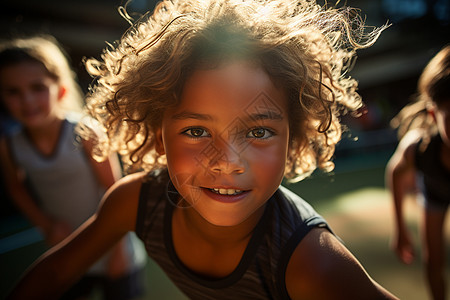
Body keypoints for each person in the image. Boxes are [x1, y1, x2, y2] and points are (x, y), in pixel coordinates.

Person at [7, 1, 398, 299]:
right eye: (196, 130)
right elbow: (55, 274)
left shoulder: (311, 260)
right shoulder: (137, 201)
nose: (227, 160)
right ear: (160, 137)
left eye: (259, 131)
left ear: (293, 138)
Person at [0, 36, 147, 300]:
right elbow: (15, 187)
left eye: (37, 87)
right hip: (67, 250)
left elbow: (115, 191)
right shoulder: (8, 145)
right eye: (13, 91)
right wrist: (46, 225)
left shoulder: (85, 131)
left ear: (61, 90)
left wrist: (118, 250)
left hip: (115, 249)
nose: (27, 100)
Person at [386, 45, 450, 300]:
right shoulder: (418, 148)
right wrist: (400, 227)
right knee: (433, 259)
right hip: (435, 191)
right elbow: (394, 172)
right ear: (434, 115)